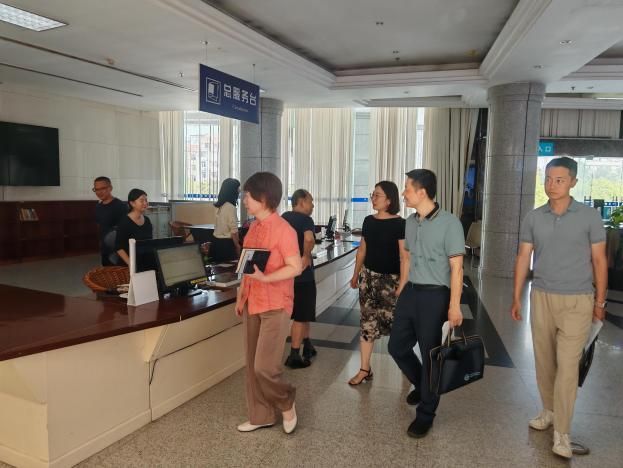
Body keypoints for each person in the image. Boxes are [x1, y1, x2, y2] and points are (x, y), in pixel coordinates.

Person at [510, 157, 607, 459]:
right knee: (544, 362)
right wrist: (516, 296)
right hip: (542, 297)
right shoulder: (534, 217)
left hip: (578, 300)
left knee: (567, 367)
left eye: (559, 180)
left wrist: (600, 302)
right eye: (548, 179)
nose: (552, 185)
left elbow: (599, 261)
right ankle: (549, 410)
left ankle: (562, 432)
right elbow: (523, 257)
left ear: (573, 182)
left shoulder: (589, 217)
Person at [388, 169, 465, 439]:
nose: (403, 193)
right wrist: (401, 288)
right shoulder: (411, 222)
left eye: (407, 189)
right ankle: (422, 385)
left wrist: (454, 306)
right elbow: (407, 258)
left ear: (422, 192)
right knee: (396, 346)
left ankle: (426, 414)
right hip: (411, 292)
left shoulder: (450, 223)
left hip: (435, 295)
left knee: (431, 355)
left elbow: (457, 268)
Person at [235, 172, 302, 435]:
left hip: (276, 304)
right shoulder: (253, 227)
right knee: (251, 365)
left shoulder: (284, 230)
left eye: (248, 196)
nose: (244, 200)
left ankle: (286, 402)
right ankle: (260, 415)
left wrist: (266, 278)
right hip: (252, 302)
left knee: (265, 367)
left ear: (263, 198)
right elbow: (247, 267)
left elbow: (295, 267)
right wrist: (241, 295)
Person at [348, 181, 408, 385]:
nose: (373, 198)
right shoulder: (368, 221)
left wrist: (403, 283)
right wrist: (355, 275)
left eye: (377, 195)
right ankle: (365, 369)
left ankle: (407, 366)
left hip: (392, 282)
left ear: (389, 200)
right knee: (367, 324)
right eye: (372, 194)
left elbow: (404, 257)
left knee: (398, 327)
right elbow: (362, 250)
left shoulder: (400, 224)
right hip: (368, 280)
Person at [282, 189, 318, 369]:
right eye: (310, 201)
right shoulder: (306, 220)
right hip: (303, 276)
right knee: (301, 315)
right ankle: (294, 355)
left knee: (304, 312)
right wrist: (306, 255)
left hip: (285, 274)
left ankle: (307, 344)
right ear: (302, 201)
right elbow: (309, 239)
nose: (313, 205)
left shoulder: (283, 217)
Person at [93, 176, 127, 266]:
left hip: (118, 252)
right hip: (105, 250)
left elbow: (125, 230)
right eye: (96, 189)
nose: (99, 192)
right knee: (106, 272)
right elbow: (100, 226)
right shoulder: (98, 207)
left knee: (118, 274)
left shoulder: (120, 206)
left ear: (110, 188)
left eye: (102, 188)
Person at [115, 188, 153, 266]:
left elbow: (149, 242)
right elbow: (119, 248)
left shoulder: (147, 220)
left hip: (144, 260)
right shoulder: (124, 222)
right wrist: (132, 265)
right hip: (129, 263)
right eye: (141, 200)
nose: (145, 203)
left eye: (146, 200)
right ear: (132, 203)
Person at [212, 178, 241, 262]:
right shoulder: (230, 207)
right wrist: (237, 245)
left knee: (218, 268)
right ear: (232, 190)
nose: (239, 190)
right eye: (238, 188)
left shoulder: (220, 205)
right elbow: (234, 231)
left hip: (216, 243)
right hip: (227, 245)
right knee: (229, 268)